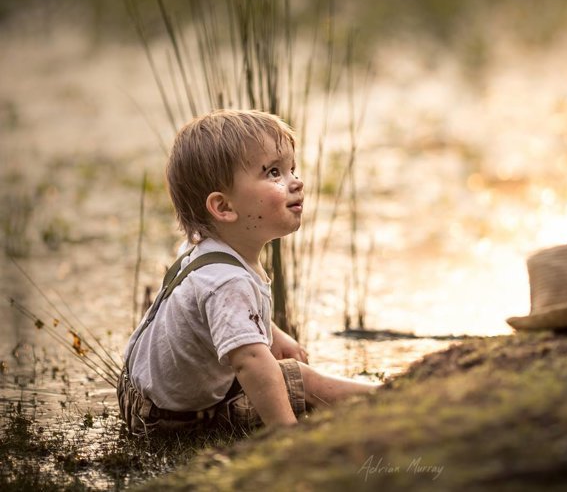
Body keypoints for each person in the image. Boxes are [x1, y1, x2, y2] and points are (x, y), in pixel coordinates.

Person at [117, 109, 378, 435]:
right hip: (168, 420)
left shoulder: (204, 248)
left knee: (283, 369)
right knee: (297, 378)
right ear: (224, 207)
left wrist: (274, 333)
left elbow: (219, 312)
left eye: (291, 169)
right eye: (273, 173)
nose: (295, 182)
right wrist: (286, 435)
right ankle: (389, 401)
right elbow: (250, 362)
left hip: (140, 394)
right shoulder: (228, 281)